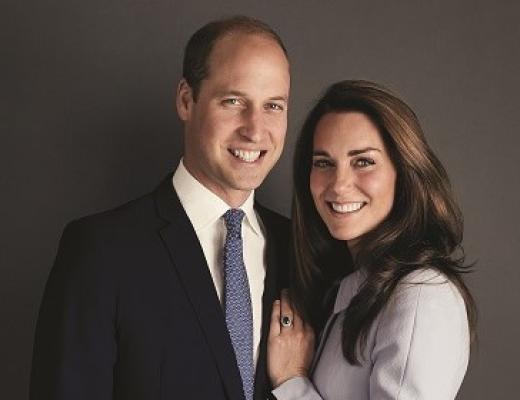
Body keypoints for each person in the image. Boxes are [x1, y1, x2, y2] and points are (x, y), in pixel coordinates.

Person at [30, 16, 291, 400]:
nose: (255, 129)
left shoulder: (300, 249)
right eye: (233, 101)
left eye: (273, 105)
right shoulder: (101, 251)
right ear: (186, 100)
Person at [267, 80, 477, 400]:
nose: (338, 185)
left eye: (363, 161)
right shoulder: (355, 287)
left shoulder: (420, 296)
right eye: (324, 163)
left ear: (404, 172)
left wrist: (292, 381)